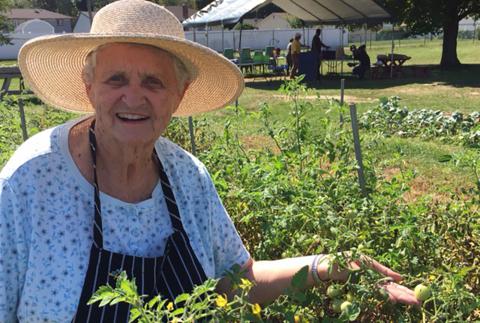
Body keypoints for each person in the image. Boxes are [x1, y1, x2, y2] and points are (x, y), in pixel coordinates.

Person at [0, 1, 420, 322]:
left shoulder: (186, 178)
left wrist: (327, 266)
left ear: (179, 95)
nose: (133, 97)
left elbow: (236, 281)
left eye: (153, 81)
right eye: (116, 79)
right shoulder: (30, 182)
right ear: (89, 86)